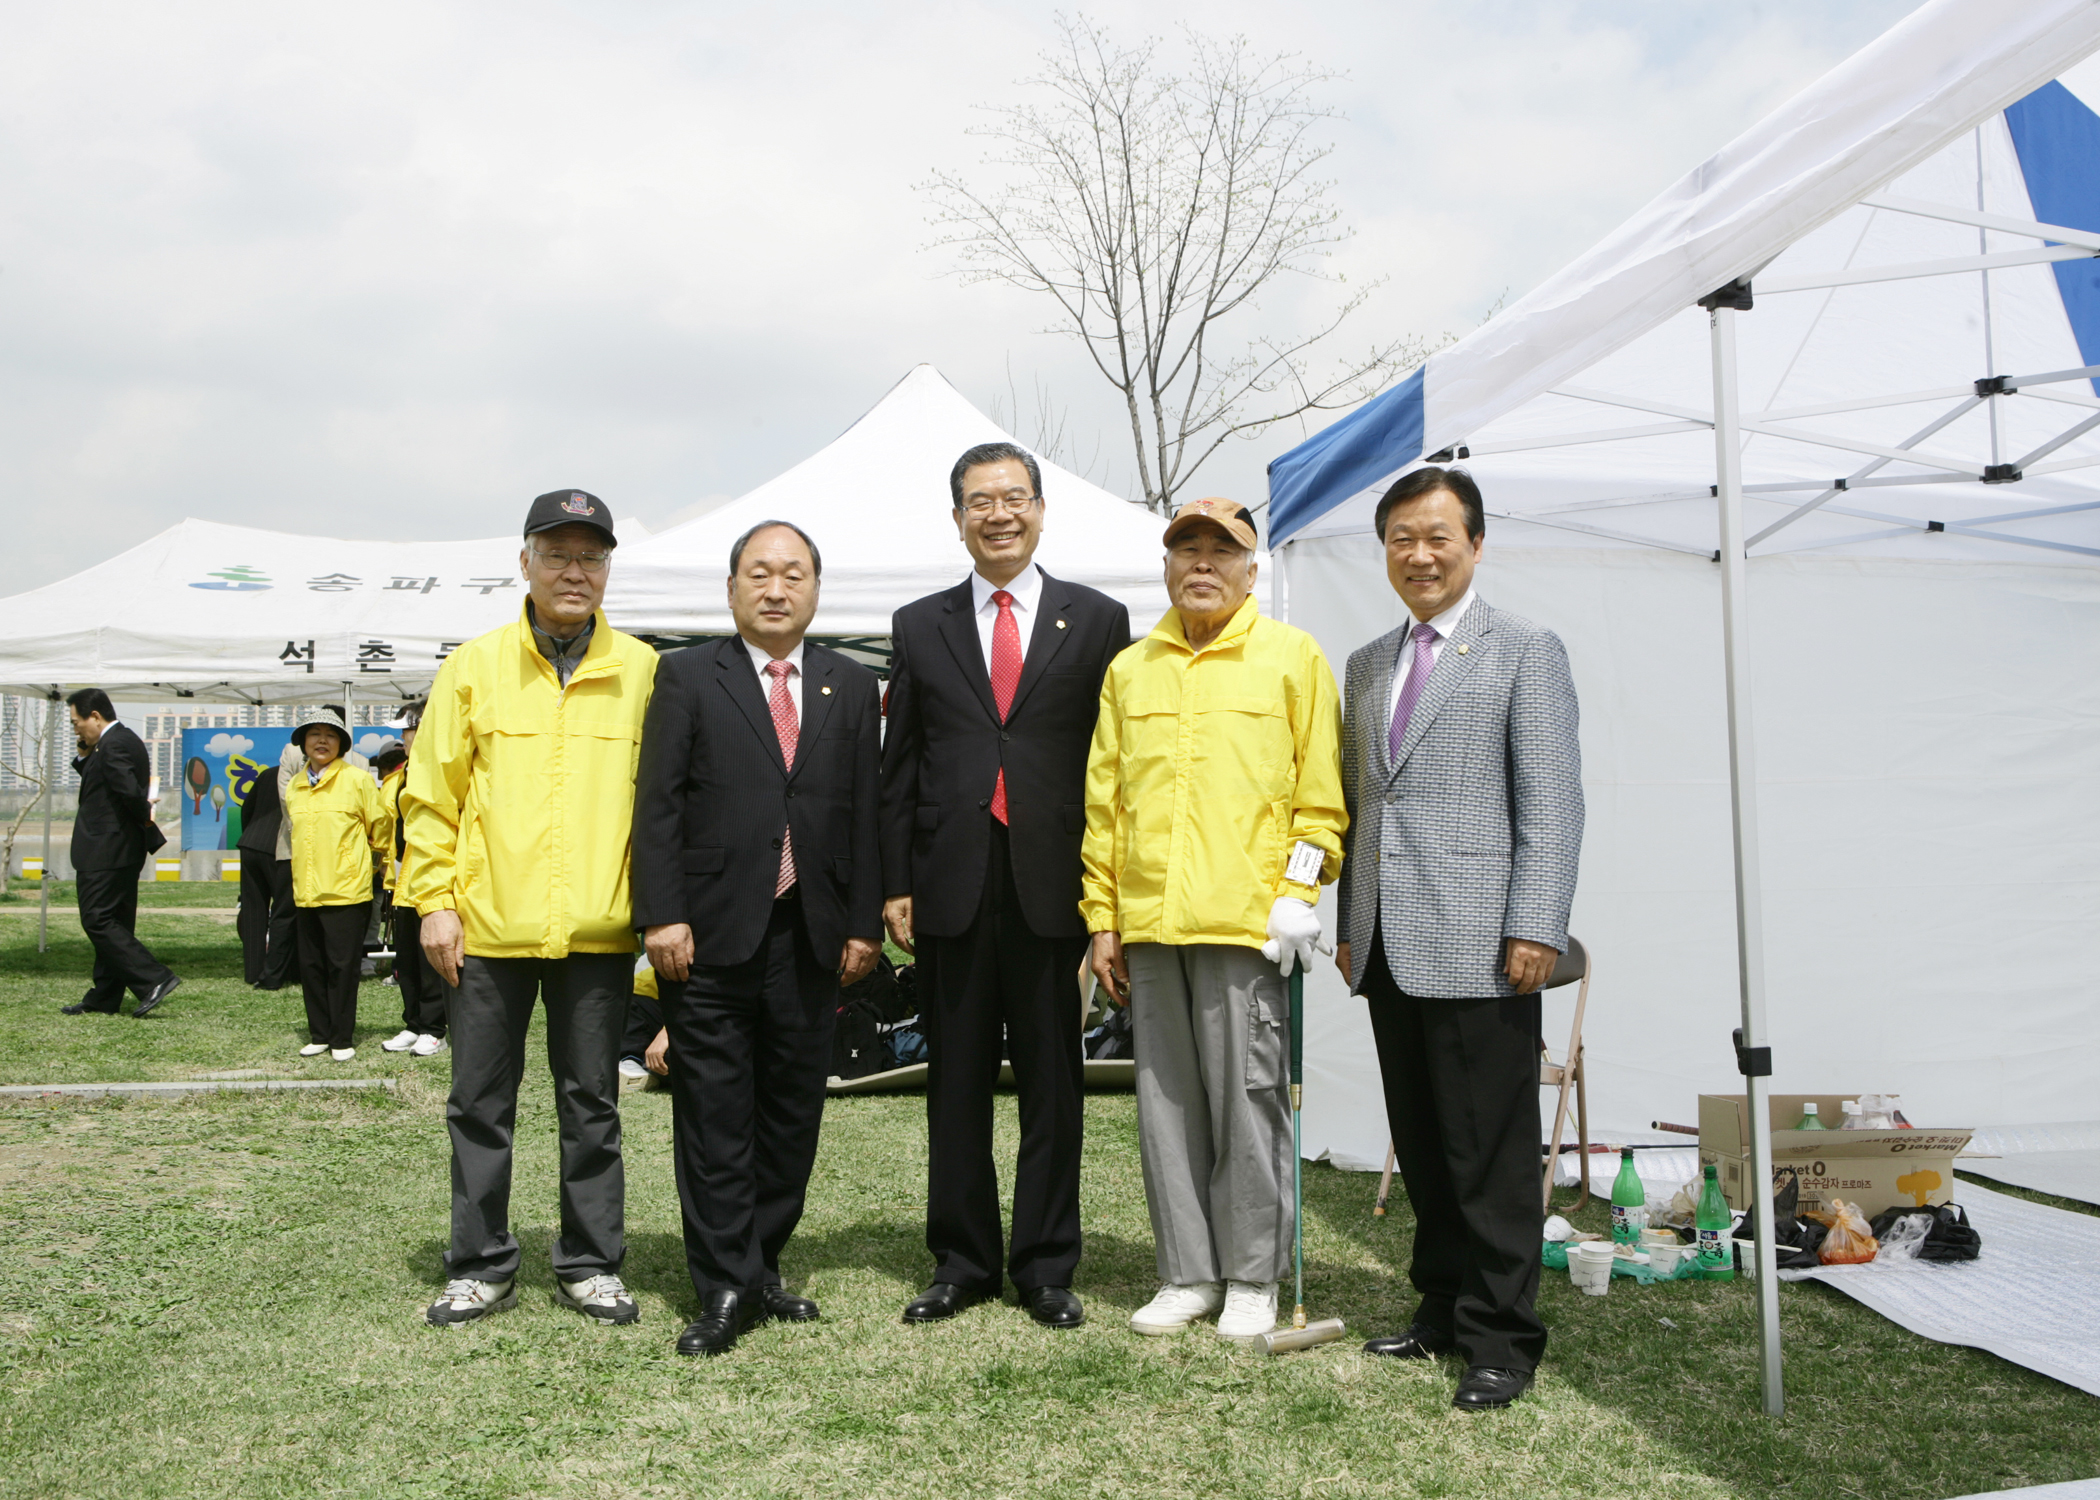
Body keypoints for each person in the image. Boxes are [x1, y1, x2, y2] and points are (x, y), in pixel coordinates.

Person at [1337, 466, 1583, 1412]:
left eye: (1438, 535)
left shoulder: (1525, 649)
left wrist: (1536, 925)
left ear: (1476, 545)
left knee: (1490, 1151)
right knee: (1427, 1143)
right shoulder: (1368, 663)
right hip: (1389, 942)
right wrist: (1352, 923)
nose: (1420, 553)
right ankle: (1440, 1307)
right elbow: (1368, 806)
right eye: (1402, 536)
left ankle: (1501, 1337)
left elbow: (1553, 804)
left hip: (1487, 942)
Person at [1080, 499, 1346, 1343]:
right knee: (1166, 1110)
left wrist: (1300, 891)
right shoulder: (1131, 670)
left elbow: (1321, 800)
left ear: (1249, 568)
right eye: (1186, 550)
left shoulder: (1291, 659)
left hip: (1246, 926)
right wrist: (1104, 918)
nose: (1201, 564)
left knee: (1247, 1104)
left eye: (1219, 552)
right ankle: (1187, 1274)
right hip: (1152, 927)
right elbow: (1105, 808)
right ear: (1165, 568)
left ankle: (1253, 1276)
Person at [878, 442, 1130, 1330]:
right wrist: (894, 881)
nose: (999, 515)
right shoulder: (919, 623)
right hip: (948, 880)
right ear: (957, 519)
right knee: (955, 1079)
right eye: (980, 502)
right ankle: (963, 1261)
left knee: (1055, 1083)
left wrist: (1112, 898)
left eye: (1014, 498)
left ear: (1040, 508)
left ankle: (1047, 1265)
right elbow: (899, 761)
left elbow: (1116, 764)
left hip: (1052, 882)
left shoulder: (1097, 619)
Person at [403, 489, 659, 1329]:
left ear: (608, 568)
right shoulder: (474, 667)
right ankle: (479, 1264)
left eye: (591, 556)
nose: (574, 572)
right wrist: (435, 904)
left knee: (592, 1102)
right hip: (486, 929)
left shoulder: (643, 672)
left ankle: (590, 1262)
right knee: (479, 1103)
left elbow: (664, 807)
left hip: (598, 929)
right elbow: (430, 798)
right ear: (525, 563)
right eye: (557, 554)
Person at [631, 519, 883, 1357]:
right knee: (712, 1115)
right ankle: (724, 1286)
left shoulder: (848, 684)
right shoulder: (686, 676)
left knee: (790, 1114)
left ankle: (762, 1262)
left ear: (816, 588)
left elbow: (864, 814)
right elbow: (657, 803)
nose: (778, 589)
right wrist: (661, 913)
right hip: (704, 937)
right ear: (732, 588)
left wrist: (860, 923)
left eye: (795, 574)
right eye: (760, 574)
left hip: (810, 935)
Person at [59, 688, 179, 1018]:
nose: (75, 730)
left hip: (106, 849)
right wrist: (85, 750)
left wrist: (143, 809)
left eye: (76, 723)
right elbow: (105, 782)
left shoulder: (115, 744)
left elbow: (128, 791)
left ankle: (153, 978)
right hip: (119, 848)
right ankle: (104, 997)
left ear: (95, 717)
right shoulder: (116, 742)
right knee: (116, 923)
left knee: (97, 919)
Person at [285, 708, 386, 1062]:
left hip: (346, 890)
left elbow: (381, 830)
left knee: (342, 967)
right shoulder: (295, 786)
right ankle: (319, 1033)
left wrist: (367, 868)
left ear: (341, 743)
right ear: (304, 743)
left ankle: (342, 1037)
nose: (322, 741)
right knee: (310, 965)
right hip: (306, 890)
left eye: (330, 735)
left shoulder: (357, 780)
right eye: (314, 734)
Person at [372, 709, 446, 1057]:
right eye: (404, 733)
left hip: (432, 875)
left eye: (411, 730)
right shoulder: (398, 777)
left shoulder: (440, 768)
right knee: (407, 956)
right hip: (401, 878)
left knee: (428, 954)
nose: (407, 738)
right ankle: (413, 1022)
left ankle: (434, 1027)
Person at [235, 747, 298, 990]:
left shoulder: (267, 774)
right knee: (285, 912)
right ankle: (278, 970)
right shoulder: (303, 778)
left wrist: (249, 835)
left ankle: (253, 971)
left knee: (252, 912)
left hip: (251, 844)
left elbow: (246, 809)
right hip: (280, 849)